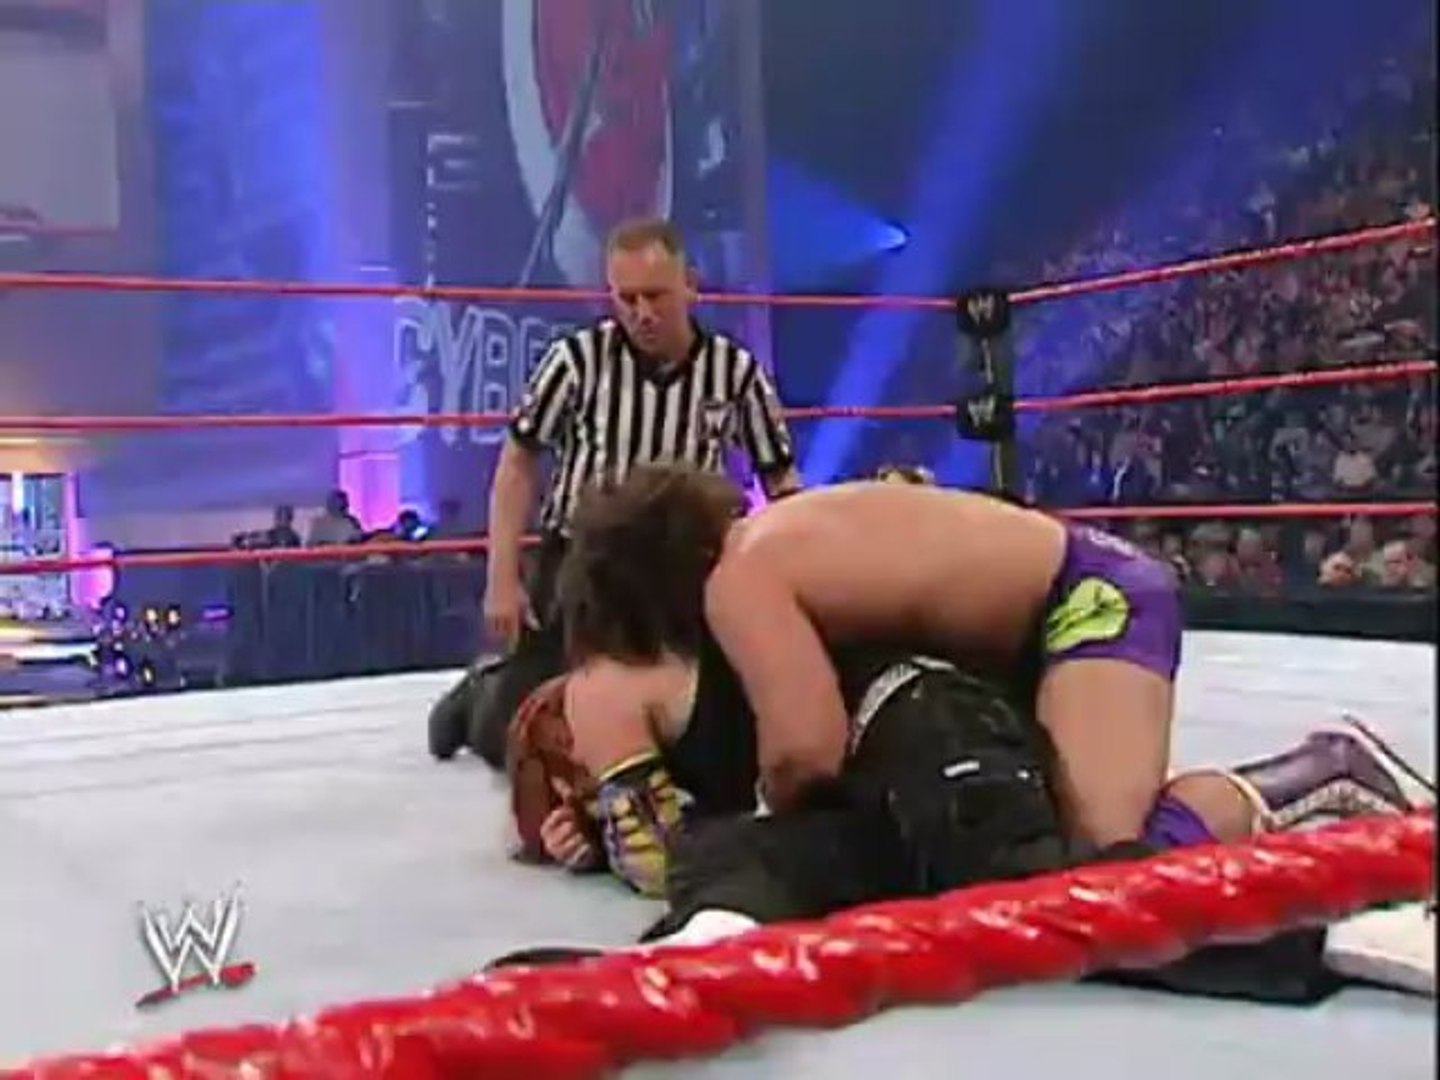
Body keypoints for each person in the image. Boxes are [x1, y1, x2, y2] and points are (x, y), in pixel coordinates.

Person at [548, 464, 1433, 875]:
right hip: (1039, 623)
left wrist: (756, 836)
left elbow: (807, 747)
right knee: (1060, 848)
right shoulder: (771, 543)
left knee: (1107, 868)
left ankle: (1326, 770)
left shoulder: (742, 578)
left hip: (1089, 597)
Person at [427, 218, 801, 766]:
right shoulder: (577, 360)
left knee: (711, 721)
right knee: (529, 733)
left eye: (655, 296)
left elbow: (782, 483)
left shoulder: (736, 374)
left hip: (682, 569)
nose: (642, 313)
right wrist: (502, 578)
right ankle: (481, 695)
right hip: (582, 561)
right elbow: (517, 462)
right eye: (627, 299)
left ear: (690, 286)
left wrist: (798, 576)